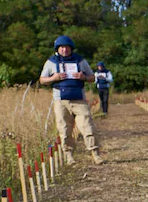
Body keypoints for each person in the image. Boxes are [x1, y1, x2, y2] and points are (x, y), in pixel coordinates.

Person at [39, 36, 103, 165]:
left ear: (71, 48)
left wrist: (83, 77)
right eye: (62, 47)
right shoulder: (51, 62)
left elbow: (91, 77)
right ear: (58, 49)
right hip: (60, 101)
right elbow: (42, 80)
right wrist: (54, 78)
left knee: (87, 126)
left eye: (67, 47)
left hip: (79, 99)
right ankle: (69, 156)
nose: (65, 50)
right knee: (64, 129)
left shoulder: (80, 60)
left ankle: (95, 153)